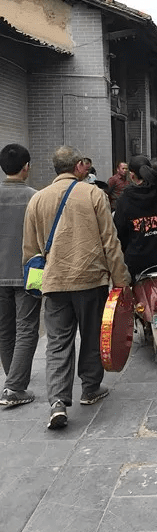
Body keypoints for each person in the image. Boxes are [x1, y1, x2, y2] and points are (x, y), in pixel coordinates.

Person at [22, 146, 131, 430]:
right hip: (90, 280)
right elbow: (110, 240)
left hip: (54, 282)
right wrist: (121, 279)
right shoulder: (94, 194)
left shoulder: (38, 199)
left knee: (58, 342)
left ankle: (57, 402)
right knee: (92, 333)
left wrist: (37, 284)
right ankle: (90, 388)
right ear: (79, 165)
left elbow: (30, 251)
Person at [0, 144, 41, 408]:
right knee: (28, 328)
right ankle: (14, 387)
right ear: (26, 167)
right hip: (32, 272)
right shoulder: (36, 197)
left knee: (5, 329)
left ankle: (13, 375)